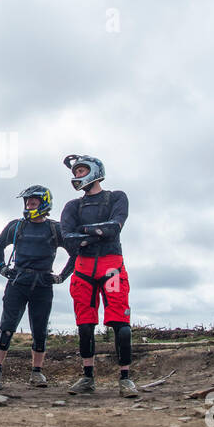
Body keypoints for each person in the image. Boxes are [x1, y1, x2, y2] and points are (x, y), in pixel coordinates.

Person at [58, 154, 137, 397]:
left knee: (120, 323)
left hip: (111, 266)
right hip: (83, 270)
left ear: (94, 171)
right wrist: (97, 233)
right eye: (76, 171)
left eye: (82, 170)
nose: (77, 175)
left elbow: (114, 228)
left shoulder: (117, 197)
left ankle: (125, 378)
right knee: (84, 323)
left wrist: (83, 233)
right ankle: (87, 377)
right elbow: (67, 238)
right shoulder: (72, 206)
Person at [0, 185, 75, 390]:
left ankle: (37, 373)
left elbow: (74, 253)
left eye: (33, 202)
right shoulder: (16, 226)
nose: (28, 205)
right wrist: (2, 268)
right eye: (27, 202)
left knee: (39, 330)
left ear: (44, 203)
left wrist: (62, 276)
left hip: (43, 285)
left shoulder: (55, 228)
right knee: (7, 327)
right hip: (17, 282)